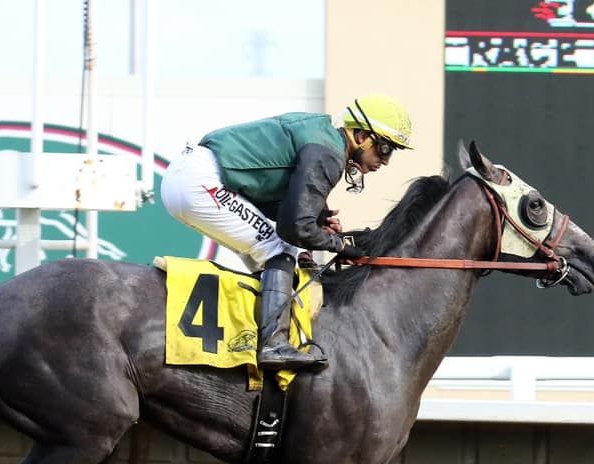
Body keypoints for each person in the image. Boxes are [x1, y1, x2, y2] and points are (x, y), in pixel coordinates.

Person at [160, 94, 413, 370]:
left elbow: (281, 200)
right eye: (385, 149)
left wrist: (318, 220)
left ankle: (253, 335)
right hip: (200, 183)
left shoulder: (323, 133)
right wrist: (338, 245)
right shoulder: (329, 152)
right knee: (279, 248)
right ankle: (273, 344)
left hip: (190, 176)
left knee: (283, 250)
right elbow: (295, 227)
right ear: (362, 136)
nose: (385, 161)